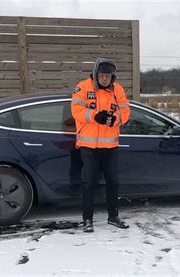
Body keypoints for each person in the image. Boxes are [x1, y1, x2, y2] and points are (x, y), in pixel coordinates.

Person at [71, 58, 131, 233]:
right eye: (102, 75)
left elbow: (125, 111)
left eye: (108, 75)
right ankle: (87, 219)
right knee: (89, 183)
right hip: (88, 146)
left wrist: (116, 119)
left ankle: (113, 217)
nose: (105, 78)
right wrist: (95, 116)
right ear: (96, 74)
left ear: (113, 76)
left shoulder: (117, 90)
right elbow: (76, 111)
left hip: (110, 146)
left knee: (113, 182)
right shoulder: (83, 87)